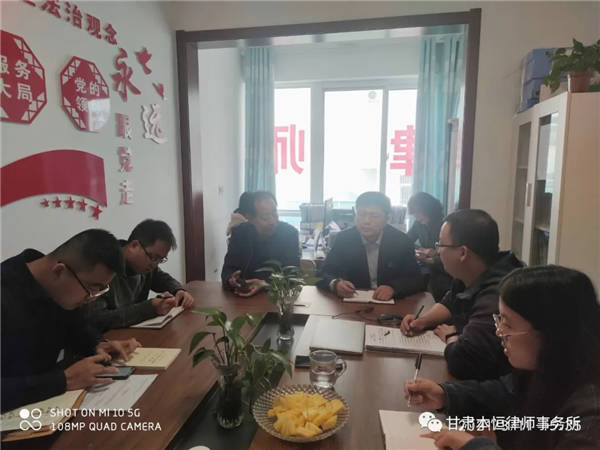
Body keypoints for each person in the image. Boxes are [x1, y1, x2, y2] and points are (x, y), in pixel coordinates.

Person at [405, 266, 600, 450]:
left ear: (550, 334)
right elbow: (504, 393)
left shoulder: (590, 417)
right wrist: (444, 395)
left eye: (508, 324)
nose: (499, 332)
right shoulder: (549, 368)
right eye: (499, 320)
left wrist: (474, 446)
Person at [1, 229, 141, 413]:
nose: (92, 298)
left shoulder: (57, 286)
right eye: (91, 289)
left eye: (101, 290)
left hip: (48, 407)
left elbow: (77, 328)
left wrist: (98, 344)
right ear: (59, 271)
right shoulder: (6, 294)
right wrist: (64, 380)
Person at [401, 209, 522, 380]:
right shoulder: (472, 271)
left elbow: (463, 362)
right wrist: (422, 321)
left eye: (441, 245)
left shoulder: (498, 294)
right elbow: (451, 301)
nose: (438, 251)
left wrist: (451, 336)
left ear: (463, 253)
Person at [82, 219, 194, 332]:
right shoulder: (102, 267)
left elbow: (162, 279)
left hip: (132, 335)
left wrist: (178, 290)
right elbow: (97, 319)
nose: (155, 264)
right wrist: (149, 308)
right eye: (153, 257)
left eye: (160, 259)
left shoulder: (146, 266)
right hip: (103, 340)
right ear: (134, 245)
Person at [317, 191, 423, 301]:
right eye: (361, 214)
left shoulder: (401, 241)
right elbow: (323, 273)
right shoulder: (344, 239)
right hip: (352, 302)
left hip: (392, 304)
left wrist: (393, 288)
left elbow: (415, 279)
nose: (366, 221)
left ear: (387, 219)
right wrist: (335, 284)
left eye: (374, 216)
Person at [221, 191, 300, 297]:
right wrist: (231, 280)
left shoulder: (289, 234)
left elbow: (293, 276)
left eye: (275, 214)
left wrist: (266, 284)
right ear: (250, 218)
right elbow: (227, 270)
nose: (272, 221)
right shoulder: (240, 233)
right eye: (265, 217)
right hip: (244, 298)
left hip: (277, 297)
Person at [406, 192, 453, 301]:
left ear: (428, 209)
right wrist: (422, 250)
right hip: (427, 266)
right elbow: (406, 241)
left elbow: (450, 254)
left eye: (418, 212)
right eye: (414, 214)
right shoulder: (418, 224)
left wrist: (433, 255)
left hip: (444, 269)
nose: (417, 217)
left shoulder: (445, 224)